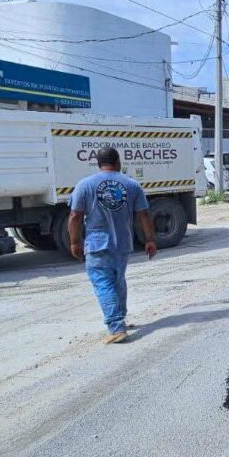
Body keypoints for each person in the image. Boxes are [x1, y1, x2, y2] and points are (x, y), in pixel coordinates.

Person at [68, 147, 157, 344]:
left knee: (103, 283)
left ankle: (116, 327)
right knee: (117, 280)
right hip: (123, 243)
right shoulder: (132, 184)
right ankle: (120, 316)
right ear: (118, 162)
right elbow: (143, 214)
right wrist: (150, 239)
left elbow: (75, 216)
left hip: (97, 244)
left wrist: (75, 242)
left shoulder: (85, 185)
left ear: (98, 164)